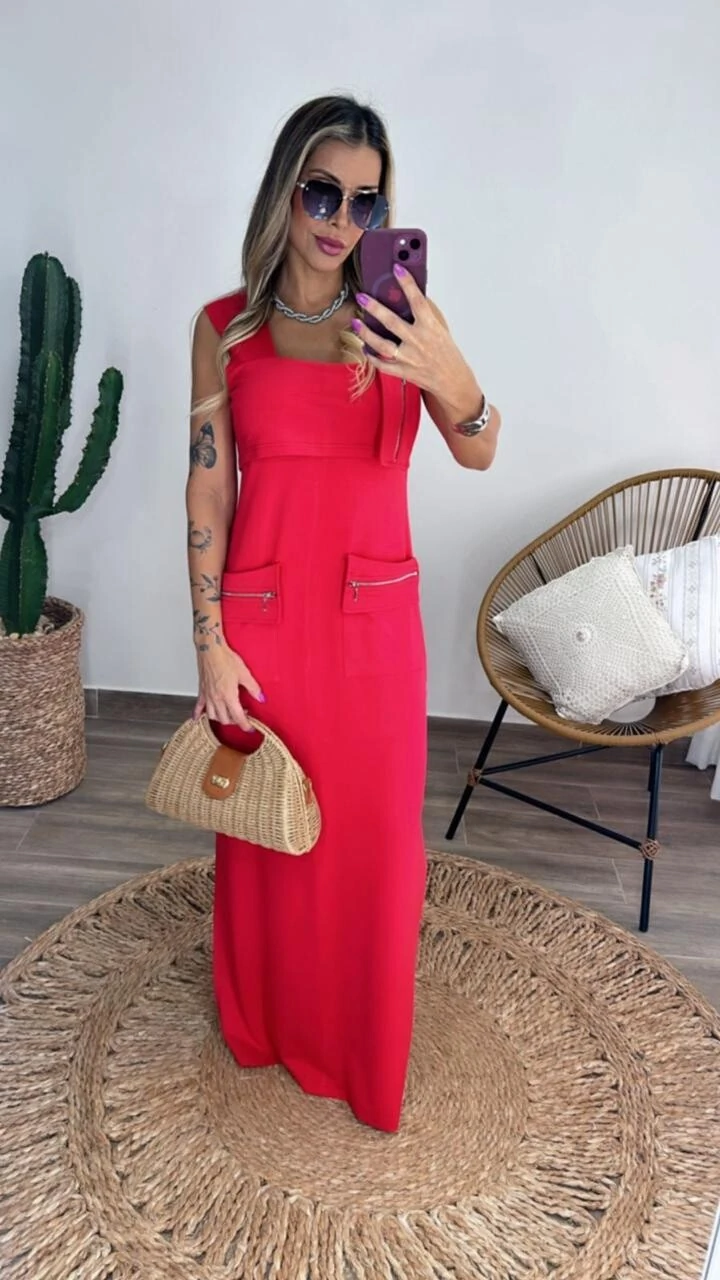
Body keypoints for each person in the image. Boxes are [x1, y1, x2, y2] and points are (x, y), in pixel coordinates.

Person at [186, 94, 501, 1133]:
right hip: (264, 624)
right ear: (286, 189)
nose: (341, 219)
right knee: (268, 836)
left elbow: (480, 447)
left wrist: (448, 373)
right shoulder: (225, 329)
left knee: (373, 849)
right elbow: (209, 490)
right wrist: (208, 644)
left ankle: (360, 1053)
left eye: (366, 201)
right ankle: (268, 1026)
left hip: (374, 632)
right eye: (322, 192)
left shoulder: (404, 322)